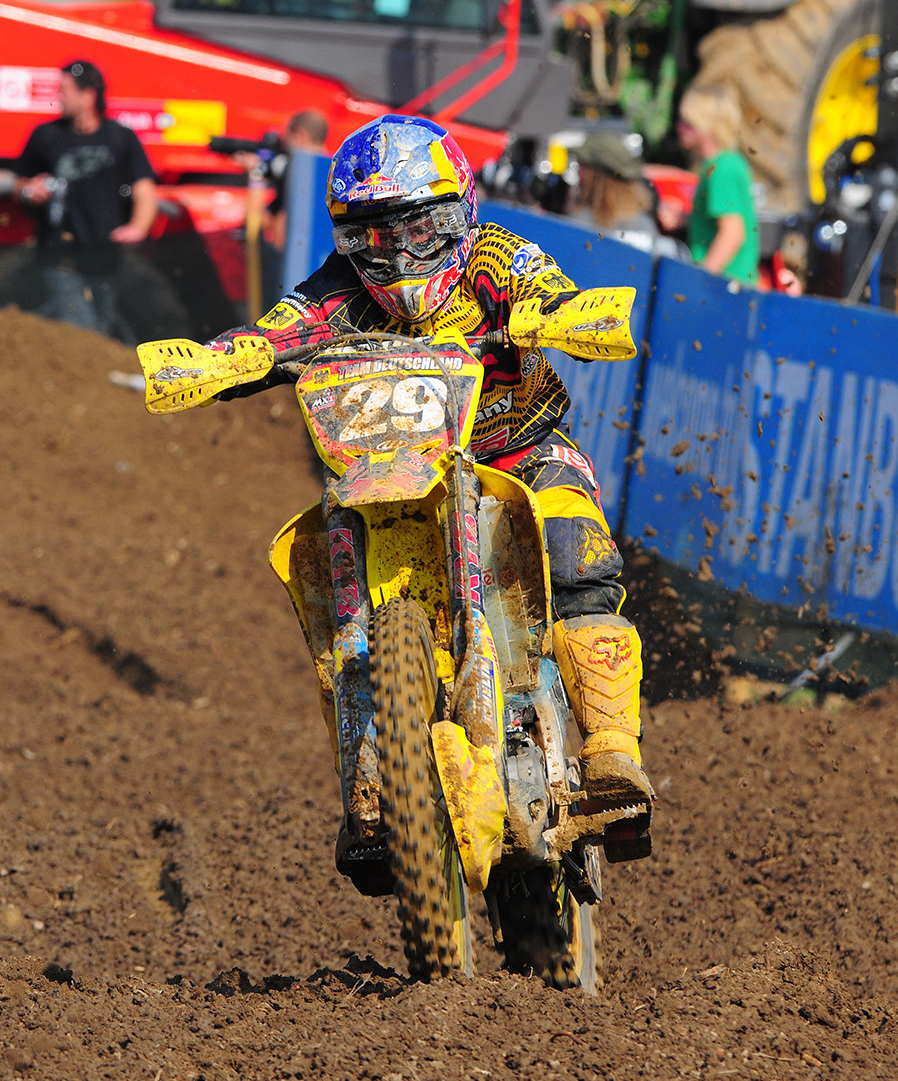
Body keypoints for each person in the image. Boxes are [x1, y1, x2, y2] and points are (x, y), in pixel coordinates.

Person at [193, 114, 652, 873]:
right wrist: (219, 360)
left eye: (423, 228)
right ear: (349, 240)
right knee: (325, 574)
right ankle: (372, 784)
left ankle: (610, 754)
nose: (401, 254)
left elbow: (548, 285)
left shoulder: (496, 258)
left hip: (521, 453)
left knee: (576, 555)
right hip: (392, 478)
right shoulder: (342, 290)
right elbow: (281, 329)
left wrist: (560, 313)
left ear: (460, 213)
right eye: (375, 237)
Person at [17, 59, 157, 336]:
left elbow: (145, 189)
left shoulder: (120, 138)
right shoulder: (47, 136)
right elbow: (19, 181)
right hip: (59, 255)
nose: (59, 97)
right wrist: (28, 190)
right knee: (81, 331)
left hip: (104, 255)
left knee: (101, 329)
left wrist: (138, 228)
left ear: (88, 95)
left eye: (65, 90)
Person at [662, 83, 760, 287]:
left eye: (687, 123)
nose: (679, 127)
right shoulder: (724, 164)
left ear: (706, 127)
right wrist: (686, 219)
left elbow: (732, 233)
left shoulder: (721, 170)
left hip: (724, 286)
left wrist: (700, 281)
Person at [567, 130, 674, 257]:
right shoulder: (646, 225)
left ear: (598, 178)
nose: (579, 174)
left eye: (582, 167)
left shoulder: (583, 222)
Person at [260, 108, 329, 256]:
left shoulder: (299, 176)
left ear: (299, 136)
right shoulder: (337, 173)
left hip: (297, 266)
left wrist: (255, 176)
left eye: (287, 139)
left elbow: (278, 237)